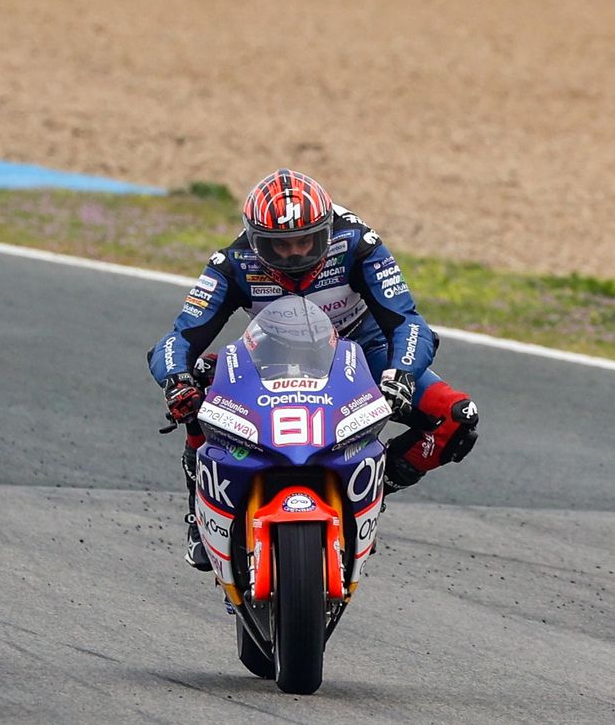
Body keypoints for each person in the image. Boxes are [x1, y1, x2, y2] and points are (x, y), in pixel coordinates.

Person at [148, 169, 479, 571]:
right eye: (279, 246)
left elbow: (409, 322)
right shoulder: (233, 261)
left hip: (362, 350)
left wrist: (402, 373)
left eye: (305, 241)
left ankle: (370, 488)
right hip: (270, 354)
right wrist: (176, 380)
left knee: (456, 417)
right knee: (195, 388)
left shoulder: (358, 242)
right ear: (255, 239)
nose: (294, 256)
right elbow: (178, 338)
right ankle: (199, 517)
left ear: (326, 230)